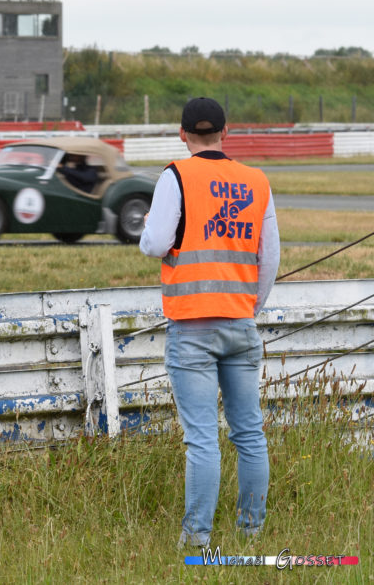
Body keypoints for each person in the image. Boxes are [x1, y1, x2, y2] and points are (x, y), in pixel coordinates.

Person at [139, 97, 280, 548]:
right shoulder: (256, 181)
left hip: (191, 328)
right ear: (226, 132)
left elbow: (156, 243)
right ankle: (252, 531)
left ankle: (198, 538)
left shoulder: (175, 176)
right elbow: (270, 257)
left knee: (202, 440)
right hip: (241, 324)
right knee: (249, 432)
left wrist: (146, 229)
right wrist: (248, 309)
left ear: (182, 134)